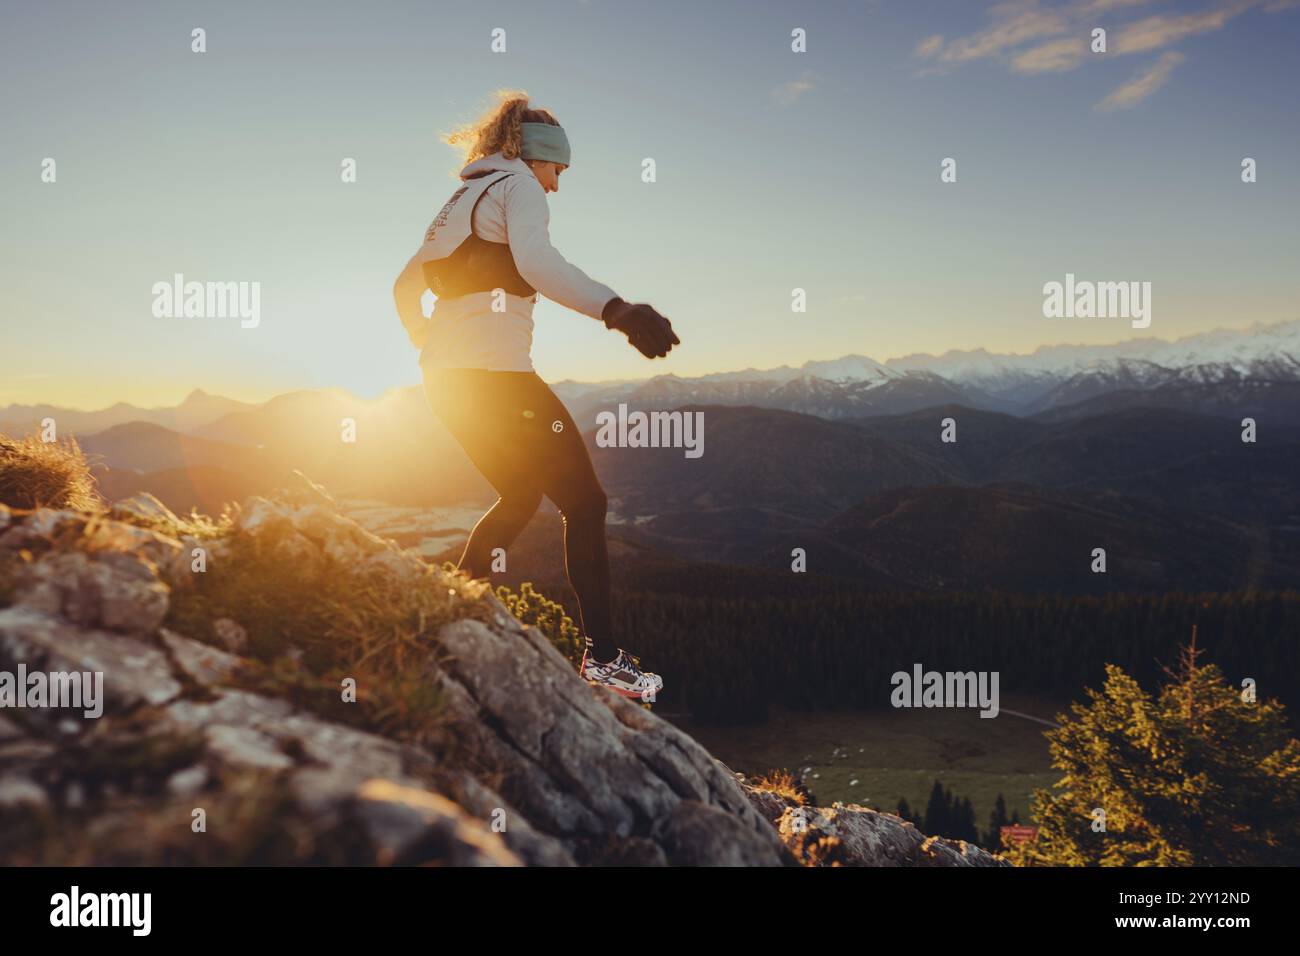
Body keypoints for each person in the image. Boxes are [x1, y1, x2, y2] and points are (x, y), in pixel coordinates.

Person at [392, 91, 678, 700]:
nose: (555, 187)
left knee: (520, 494)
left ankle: (439, 620)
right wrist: (617, 309)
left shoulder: (457, 200)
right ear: (536, 157)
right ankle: (604, 662)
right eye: (558, 171)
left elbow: (402, 286)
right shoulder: (515, 186)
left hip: (446, 384)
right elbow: (538, 262)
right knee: (587, 505)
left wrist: (429, 343)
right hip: (499, 381)